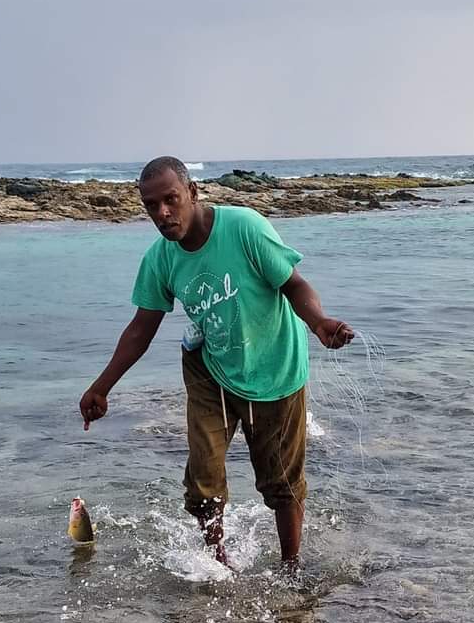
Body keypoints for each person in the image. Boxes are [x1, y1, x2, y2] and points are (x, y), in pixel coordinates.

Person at [78, 156, 354, 568]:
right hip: (211, 369)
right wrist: (102, 386)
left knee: (282, 482)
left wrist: (318, 323)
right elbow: (141, 328)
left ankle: (291, 567)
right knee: (204, 479)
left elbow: (294, 284)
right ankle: (217, 563)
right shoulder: (161, 258)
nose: (162, 213)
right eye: (151, 206)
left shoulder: (244, 228)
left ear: (193, 192)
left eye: (170, 199)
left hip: (275, 365)